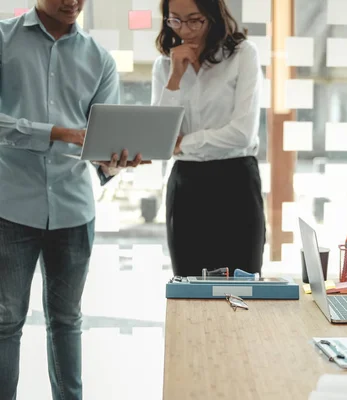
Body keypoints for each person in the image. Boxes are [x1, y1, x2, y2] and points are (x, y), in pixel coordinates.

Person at [0, 1, 144, 399]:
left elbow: (103, 141)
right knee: (5, 321)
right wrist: (58, 132)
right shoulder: (3, 40)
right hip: (10, 204)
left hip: (74, 208)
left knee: (67, 320)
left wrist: (116, 161)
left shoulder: (99, 59)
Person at [152, 0, 265, 276]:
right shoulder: (164, 65)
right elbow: (159, 138)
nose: (185, 29)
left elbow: (242, 133)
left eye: (194, 20)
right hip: (186, 184)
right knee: (189, 288)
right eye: (175, 20)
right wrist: (175, 77)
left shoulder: (242, 55)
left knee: (241, 286)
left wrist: (184, 143)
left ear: (213, 17)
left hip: (236, 181)